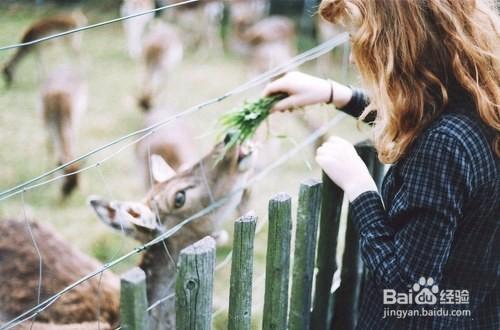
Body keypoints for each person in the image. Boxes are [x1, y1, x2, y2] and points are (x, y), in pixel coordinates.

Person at [264, 0, 499, 328]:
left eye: (359, 40)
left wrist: (360, 189)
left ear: (397, 44)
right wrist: (337, 94)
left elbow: (410, 293)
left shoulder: (443, 147)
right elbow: (424, 112)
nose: (351, 56)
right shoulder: (484, 103)